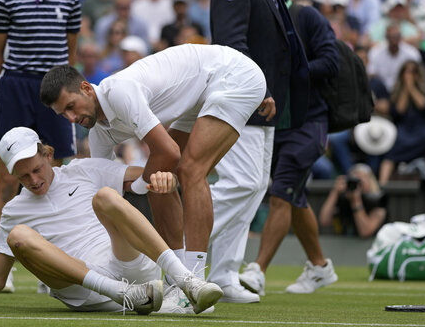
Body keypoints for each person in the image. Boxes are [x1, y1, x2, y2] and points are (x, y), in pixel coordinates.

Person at [0, 126, 223, 315]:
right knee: (19, 235)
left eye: (37, 169)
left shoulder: (84, 169)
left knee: (106, 197)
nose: (34, 180)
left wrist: (166, 179)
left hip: (131, 266)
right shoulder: (13, 211)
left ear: (48, 154)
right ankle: (123, 294)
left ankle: (186, 282)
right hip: (88, 292)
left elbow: (149, 178)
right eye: (23, 177)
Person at [39, 43, 266, 306]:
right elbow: (103, 198)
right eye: (62, 114)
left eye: (71, 106)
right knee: (158, 177)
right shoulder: (99, 133)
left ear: (87, 89)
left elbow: (169, 151)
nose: (70, 117)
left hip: (233, 73)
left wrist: (138, 185)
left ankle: (195, 281)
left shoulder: (119, 92)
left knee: (190, 170)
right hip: (201, 94)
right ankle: (177, 280)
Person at [207, 0, 309, 303]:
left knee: (253, 188)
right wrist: (257, 88)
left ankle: (224, 273)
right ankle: (175, 245)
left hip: (264, 104)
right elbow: (232, 43)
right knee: (241, 183)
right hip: (244, 100)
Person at [238, 0, 339, 298]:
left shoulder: (307, 17)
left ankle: (258, 270)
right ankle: (320, 267)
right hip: (273, 125)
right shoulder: (256, 23)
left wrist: (291, 73)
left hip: (310, 123)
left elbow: (331, 61)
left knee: (282, 191)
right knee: (294, 196)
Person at [0, 0, 80, 246]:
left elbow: (71, 53)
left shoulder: (70, 1)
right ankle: (2, 263)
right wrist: (15, 82)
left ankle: (53, 256)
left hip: (54, 90)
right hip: (15, 87)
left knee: (52, 175)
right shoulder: (5, 1)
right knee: (6, 179)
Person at [319, 164, 388, 238]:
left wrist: (356, 202)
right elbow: (324, 221)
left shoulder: (378, 201)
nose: (357, 187)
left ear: (370, 182)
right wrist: (335, 192)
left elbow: (365, 232)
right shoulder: (345, 200)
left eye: (360, 182)